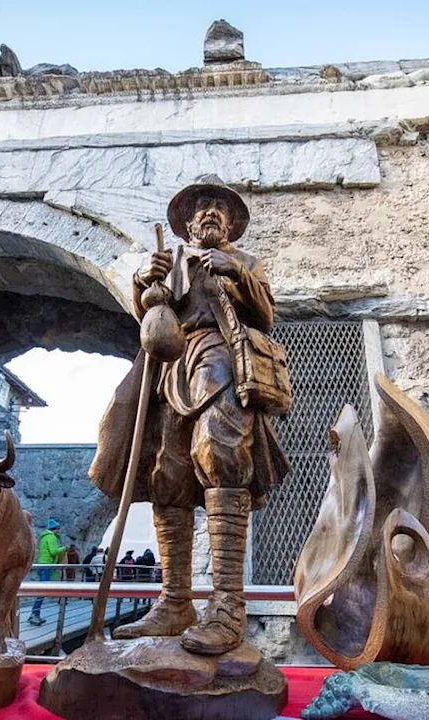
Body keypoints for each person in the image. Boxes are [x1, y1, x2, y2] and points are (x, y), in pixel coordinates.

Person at [91, 176, 290, 656]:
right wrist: (145, 283)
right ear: (185, 222)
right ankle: (175, 600)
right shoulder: (172, 260)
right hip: (171, 365)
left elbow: (265, 316)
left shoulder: (244, 262)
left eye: (218, 208)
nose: (209, 213)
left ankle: (226, 607)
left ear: (229, 222)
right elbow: (151, 316)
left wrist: (237, 275)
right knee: (167, 473)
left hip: (221, 359)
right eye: (201, 207)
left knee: (221, 457)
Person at [28, 518, 68, 626]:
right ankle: (34, 615)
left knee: (42, 591)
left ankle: (35, 614)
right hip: (47, 566)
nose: (59, 531)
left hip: (42, 565)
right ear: (55, 529)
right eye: (58, 529)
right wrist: (64, 548)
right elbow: (54, 551)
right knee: (42, 592)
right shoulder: (51, 537)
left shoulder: (44, 537)